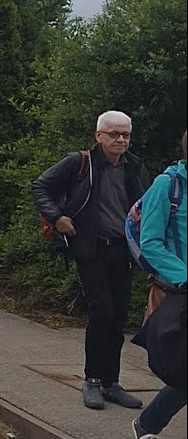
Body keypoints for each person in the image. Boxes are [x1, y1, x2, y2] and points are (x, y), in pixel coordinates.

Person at [32, 110, 151, 411]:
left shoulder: (133, 167)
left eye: (125, 134)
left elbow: (144, 205)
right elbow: (41, 187)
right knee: (102, 312)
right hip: (91, 248)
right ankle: (92, 381)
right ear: (98, 135)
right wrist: (57, 217)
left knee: (119, 317)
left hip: (123, 251)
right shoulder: (79, 163)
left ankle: (111, 382)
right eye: (113, 134)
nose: (120, 139)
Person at [131, 128, 186, 439]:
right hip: (175, 294)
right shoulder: (167, 186)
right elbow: (150, 242)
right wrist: (184, 276)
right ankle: (147, 425)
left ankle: (147, 425)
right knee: (182, 373)